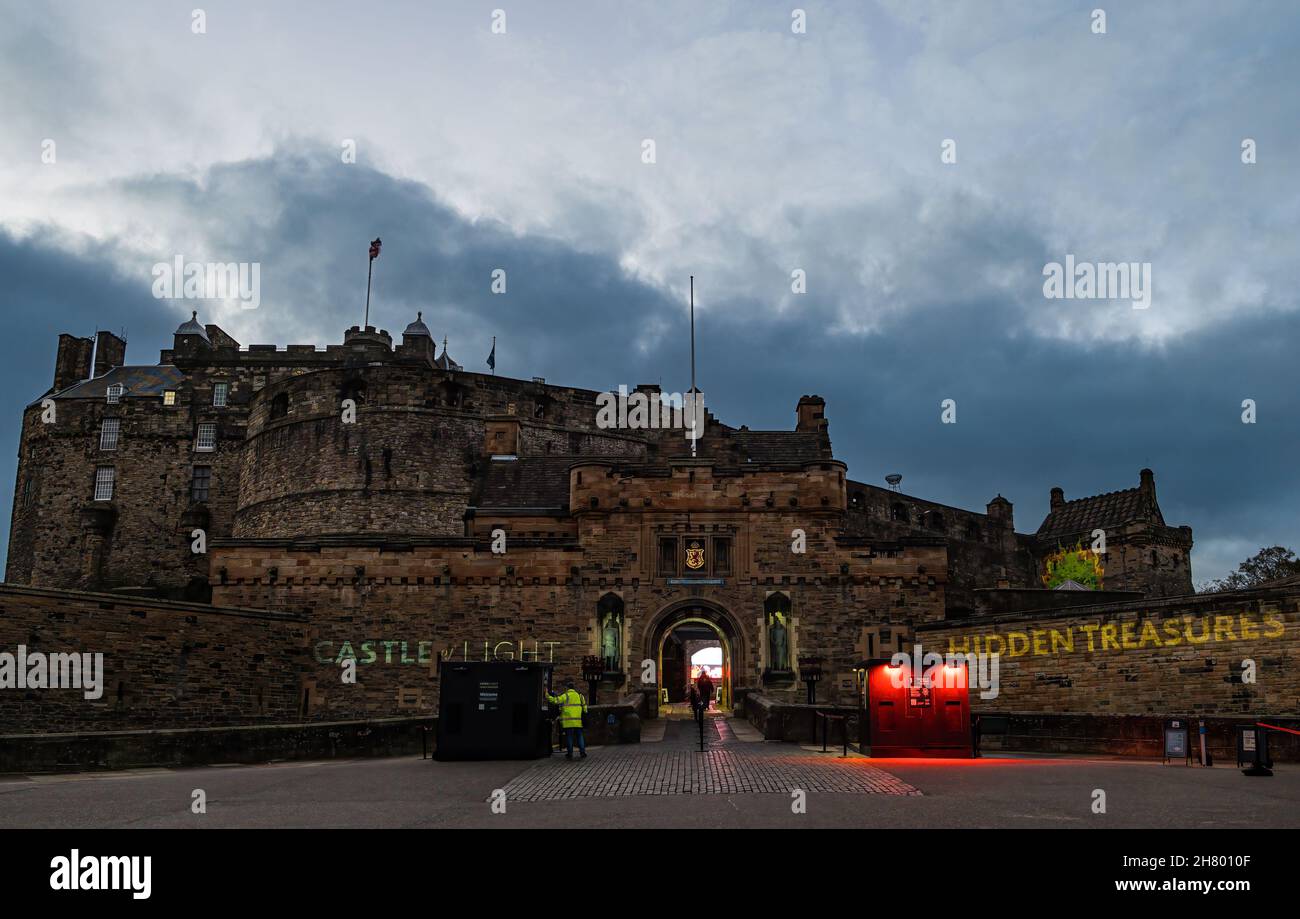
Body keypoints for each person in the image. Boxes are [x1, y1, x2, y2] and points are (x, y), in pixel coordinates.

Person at [545, 679, 588, 759]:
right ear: (574, 688)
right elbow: (585, 707)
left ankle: (570, 754)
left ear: (567, 688)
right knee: (579, 736)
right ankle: (582, 753)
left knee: (569, 737)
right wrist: (583, 714)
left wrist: (547, 696)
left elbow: (556, 701)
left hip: (568, 721)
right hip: (578, 721)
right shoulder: (580, 695)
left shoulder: (566, 695)